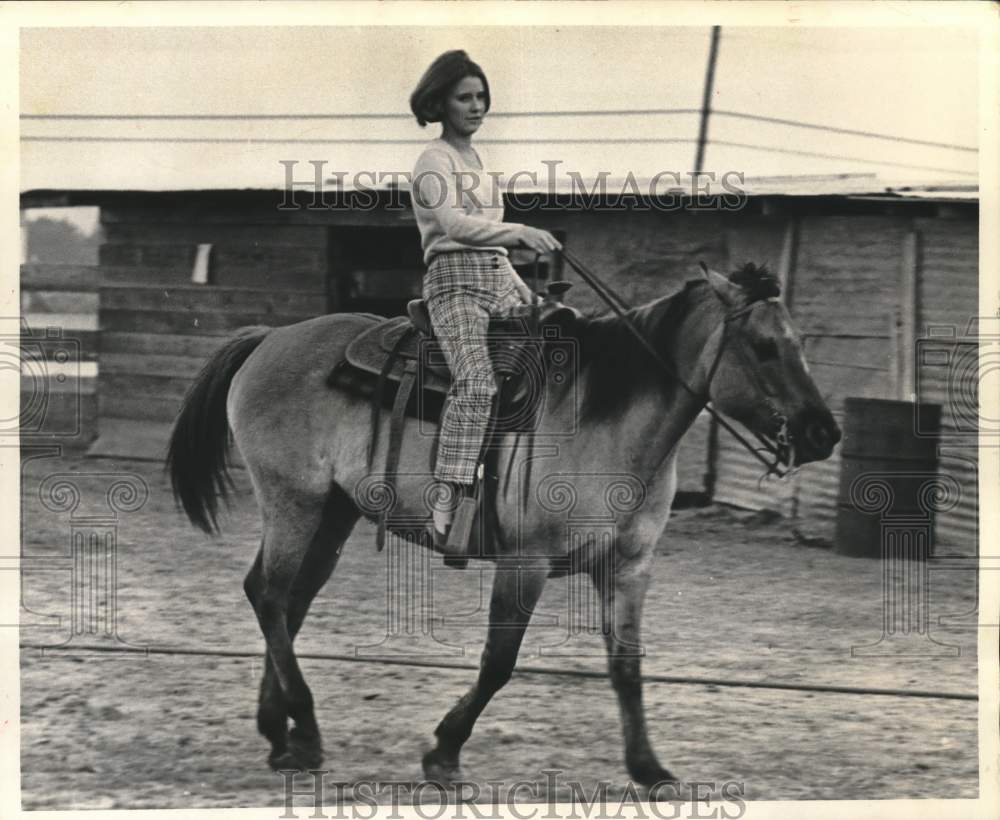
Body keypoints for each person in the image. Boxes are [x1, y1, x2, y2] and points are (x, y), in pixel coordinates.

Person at [409, 49, 562, 549]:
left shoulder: (477, 160)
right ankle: (447, 493)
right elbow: (454, 226)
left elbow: (494, 248)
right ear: (441, 104)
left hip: (495, 276)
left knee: (559, 345)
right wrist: (518, 230)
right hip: (453, 282)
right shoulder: (435, 159)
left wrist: (527, 292)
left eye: (481, 97)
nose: (476, 107)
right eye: (464, 98)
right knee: (476, 384)